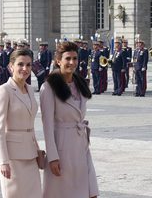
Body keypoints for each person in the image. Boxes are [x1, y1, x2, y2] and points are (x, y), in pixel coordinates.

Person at [40, 41, 99, 198]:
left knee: (88, 190)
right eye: (67, 58)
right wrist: (52, 157)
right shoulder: (49, 87)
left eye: (75, 58)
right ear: (58, 60)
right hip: (62, 147)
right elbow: (47, 125)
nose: (72, 62)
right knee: (63, 192)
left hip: (81, 145)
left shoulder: (80, 84)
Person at [0, 49, 42, 198]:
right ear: (11, 66)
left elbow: (30, 124)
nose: (25, 69)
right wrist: (3, 161)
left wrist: (37, 148)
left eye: (28, 65)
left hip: (31, 154)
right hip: (13, 157)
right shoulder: (4, 90)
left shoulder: (30, 90)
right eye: (20, 64)